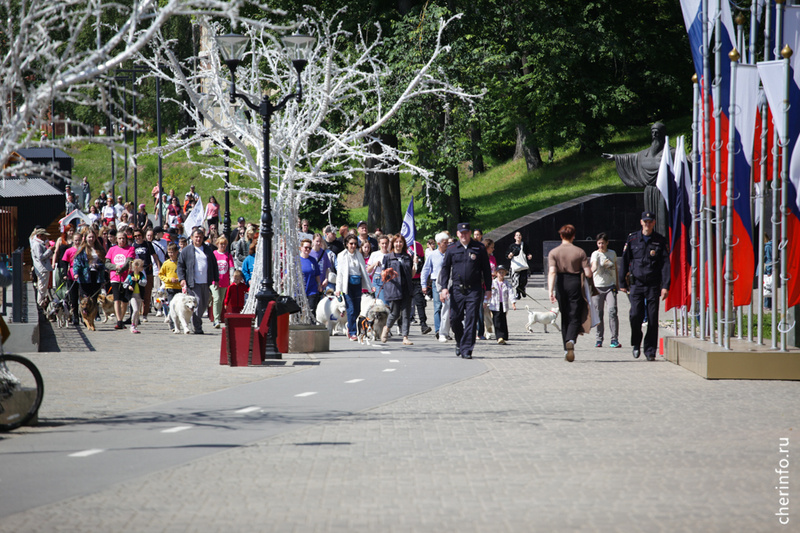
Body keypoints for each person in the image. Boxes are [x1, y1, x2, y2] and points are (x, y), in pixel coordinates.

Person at [602, 122, 672, 237]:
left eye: (657, 132)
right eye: (653, 132)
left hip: (664, 192)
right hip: (649, 191)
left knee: (663, 218)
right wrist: (614, 157)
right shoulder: (645, 154)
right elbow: (631, 157)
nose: (654, 134)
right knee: (648, 219)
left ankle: (664, 242)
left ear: (663, 134)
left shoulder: (671, 153)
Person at [619, 211, 670, 361]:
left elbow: (666, 265)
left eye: (650, 221)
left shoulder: (659, 240)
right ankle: (636, 342)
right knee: (635, 315)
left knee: (653, 319)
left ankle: (650, 350)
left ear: (654, 223)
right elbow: (625, 260)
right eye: (645, 221)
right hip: (636, 285)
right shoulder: (633, 239)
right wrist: (622, 282)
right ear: (641, 222)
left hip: (653, 285)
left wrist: (665, 285)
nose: (647, 224)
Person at [438, 222, 492, 359]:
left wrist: (488, 289)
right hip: (457, 289)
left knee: (471, 320)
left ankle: (467, 349)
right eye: (461, 233)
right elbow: (445, 269)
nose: (464, 235)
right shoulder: (451, 249)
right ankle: (460, 341)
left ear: (470, 233)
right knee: (455, 319)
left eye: (466, 232)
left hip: (474, 289)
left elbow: (486, 269)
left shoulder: (479, 248)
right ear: (457, 234)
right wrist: (443, 288)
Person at [548, 224, 593, 362]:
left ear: (561, 236)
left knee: (565, 315)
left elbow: (552, 271)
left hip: (560, 283)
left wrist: (550, 290)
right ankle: (571, 340)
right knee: (575, 314)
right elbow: (588, 273)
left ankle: (565, 348)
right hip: (574, 283)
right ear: (573, 236)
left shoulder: (554, 252)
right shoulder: (580, 252)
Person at [177, 228, 219, 334]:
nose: (198, 239)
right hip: (193, 282)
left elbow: (214, 265)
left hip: (205, 281)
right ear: (192, 237)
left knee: (204, 304)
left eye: (200, 237)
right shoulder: (187, 250)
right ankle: (197, 326)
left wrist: (216, 280)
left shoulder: (208, 250)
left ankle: (195, 323)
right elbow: (180, 266)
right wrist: (182, 279)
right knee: (198, 303)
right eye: (196, 237)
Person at [380, 234, 416, 345]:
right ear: (393, 243)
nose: (398, 244)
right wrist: (386, 272)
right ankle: (386, 328)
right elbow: (382, 274)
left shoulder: (407, 257)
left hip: (406, 288)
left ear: (403, 244)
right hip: (394, 288)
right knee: (394, 313)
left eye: (401, 242)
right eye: (396, 242)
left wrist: (415, 264)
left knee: (406, 314)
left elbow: (412, 274)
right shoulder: (388, 257)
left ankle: (405, 337)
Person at [335, 234, 372, 341]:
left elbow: (364, 272)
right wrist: (338, 289)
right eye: (351, 243)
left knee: (357, 309)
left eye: (355, 244)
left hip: (357, 283)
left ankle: (349, 325)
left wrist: (370, 286)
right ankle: (352, 332)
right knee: (350, 309)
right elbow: (340, 274)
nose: (353, 246)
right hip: (347, 285)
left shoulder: (358, 255)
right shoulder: (342, 255)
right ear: (346, 244)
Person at [591, 232, 620, 348]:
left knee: (612, 311)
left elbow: (616, 269)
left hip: (610, 286)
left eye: (603, 243)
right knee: (599, 313)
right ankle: (599, 339)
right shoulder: (595, 254)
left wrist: (617, 284)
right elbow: (593, 266)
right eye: (599, 243)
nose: (601, 245)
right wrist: (592, 269)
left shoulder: (612, 253)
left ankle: (614, 339)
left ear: (607, 243)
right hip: (597, 287)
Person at [421, 232, 449, 339]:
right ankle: (438, 330)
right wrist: (423, 284)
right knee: (437, 306)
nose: (447, 245)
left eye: (447, 242)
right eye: (444, 243)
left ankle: (445, 330)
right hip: (436, 283)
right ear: (438, 243)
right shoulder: (433, 255)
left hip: (448, 283)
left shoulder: (450, 254)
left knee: (447, 307)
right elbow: (425, 270)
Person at [105, 231, 135, 330]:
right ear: (116, 239)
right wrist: (115, 267)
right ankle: (119, 321)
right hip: (115, 278)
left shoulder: (131, 249)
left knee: (125, 300)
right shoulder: (112, 249)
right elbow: (107, 263)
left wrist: (121, 269)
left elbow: (128, 262)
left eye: (123, 238)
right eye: (120, 238)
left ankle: (121, 319)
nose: (122, 240)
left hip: (126, 277)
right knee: (116, 299)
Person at [73, 227, 106, 314]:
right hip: (85, 276)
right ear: (85, 238)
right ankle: (85, 314)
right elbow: (77, 263)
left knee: (94, 296)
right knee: (85, 297)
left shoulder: (100, 249)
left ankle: (95, 313)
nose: (91, 239)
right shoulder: (82, 249)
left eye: (92, 237)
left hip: (97, 275)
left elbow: (105, 262)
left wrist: (98, 265)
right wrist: (76, 273)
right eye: (89, 237)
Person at [132, 229, 160, 322]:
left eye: (139, 235)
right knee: (137, 293)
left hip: (147, 270)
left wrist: (159, 268)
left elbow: (155, 256)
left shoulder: (148, 244)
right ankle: (137, 314)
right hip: (137, 272)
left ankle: (145, 314)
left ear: (142, 235)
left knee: (147, 294)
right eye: (135, 236)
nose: (137, 237)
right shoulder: (133, 245)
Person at [488, 264, 516, 344]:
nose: (501, 274)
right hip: (494, 304)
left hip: (503, 304)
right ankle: (499, 337)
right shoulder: (492, 283)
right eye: (499, 272)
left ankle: (504, 336)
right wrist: (486, 302)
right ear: (496, 273)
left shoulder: (507, 283)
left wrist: (513, 303)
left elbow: (511, 293)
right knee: (497, 320)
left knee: (503, 319)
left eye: (503, 272)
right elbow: (489, 293)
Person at [60, 231, 84, 325]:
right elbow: (64, 262)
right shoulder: (69, 250)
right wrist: (65, 273)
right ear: (73, 240)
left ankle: (83, 315)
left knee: (82, 296)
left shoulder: (83, 249)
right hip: (72, 275)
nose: (77, 242)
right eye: (76, 240)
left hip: (82, 275)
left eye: (79, 240)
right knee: (73, 297)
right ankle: (75, 316)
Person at [210, 236, 234, 328]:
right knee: (216, 298)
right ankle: (216, 320)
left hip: (224, 281)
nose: (223, 245)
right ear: (217, 244)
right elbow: (211, 266)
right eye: (221, 244)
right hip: (214, 280)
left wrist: (231, 278)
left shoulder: (228, 255)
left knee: (220, 300)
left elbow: (231, 267)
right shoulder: (214, 254)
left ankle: (218, 318)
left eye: (224, 244)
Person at [408, 239, 430, 335]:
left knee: (420, 302)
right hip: (406, 279)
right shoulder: (403, 246)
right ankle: (402, 324)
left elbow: (423, 262)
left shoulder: (418, 246)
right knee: (404, 304)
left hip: (417, 279)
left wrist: (418, 262)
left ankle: (423, 324)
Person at [158, 243, 182, 328]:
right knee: (172, 305)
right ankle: (172, 324)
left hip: (179, 287)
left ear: (176, 252)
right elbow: (161, 274)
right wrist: (168, 279)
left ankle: (178, 323)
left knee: (179, 306)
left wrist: (180, 279)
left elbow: (183, 272)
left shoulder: (180, 262)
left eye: (172, 252)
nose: (171, 254)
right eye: (169, 252)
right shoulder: (166, 263)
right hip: (170, 287)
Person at [30, 227, 54, 307]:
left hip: (43, 268)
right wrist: (50, 250)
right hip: (42, 269)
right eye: (44, 236)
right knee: (42, 288)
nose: (46, 238)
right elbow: (40, 257)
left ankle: (41, 304)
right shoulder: (37, 244)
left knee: (43, 288)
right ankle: (40, 305)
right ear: (40, 235)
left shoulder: (39, 243)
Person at [299, 239, 322, 320]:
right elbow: (288, 273)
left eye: (309, 248)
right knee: (298, 312)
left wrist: (319, 285)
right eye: (305, 247)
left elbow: (317, 274)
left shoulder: (313, 260)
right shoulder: (296, 260)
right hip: (299, 290)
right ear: (301, 248)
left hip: (311, 289)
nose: (307, 250)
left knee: (312, 311)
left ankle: (312, 328)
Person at [123, 259, 147, 333]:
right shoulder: (130, 275)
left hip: (139, 296)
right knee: (135, 310)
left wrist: (137, 280)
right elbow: (124, 284)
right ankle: (132, 325)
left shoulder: (141, 275)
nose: (143, 268)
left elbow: (144, 283)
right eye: (141, 266)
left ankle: (135, 326)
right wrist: (128, 287)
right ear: (136, 267)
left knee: (138, 312)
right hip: (132, 295)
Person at [507, 230, 533, 300]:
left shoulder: (524, 245)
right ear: (514, 237)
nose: (518, 236)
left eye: (519, 235)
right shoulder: (512, 246)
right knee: (516, 281)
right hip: (515, 266)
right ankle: (518, 293)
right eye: (517, 235)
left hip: (523, 266)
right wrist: (510, 255)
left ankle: (523, 289)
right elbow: (507, 255)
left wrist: (529, 255)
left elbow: (528, 252)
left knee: (524, 280)